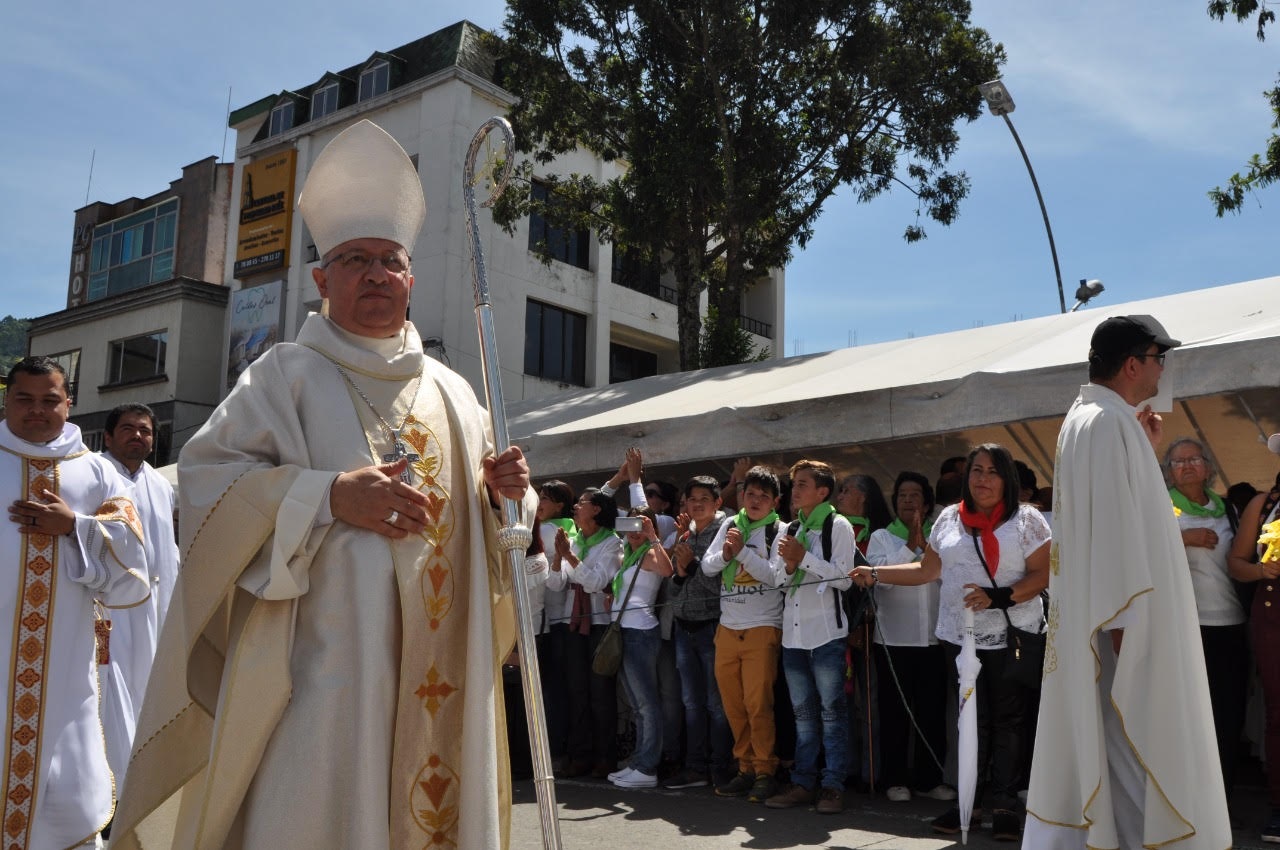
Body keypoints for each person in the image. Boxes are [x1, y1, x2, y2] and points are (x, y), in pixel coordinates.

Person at [113, 120, 534, 850]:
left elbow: (502, 531)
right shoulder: (282, 377)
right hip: (329, 676)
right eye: (354, 259)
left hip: (448, 674)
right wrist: (327, 497)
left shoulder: (458, 392)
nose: (375, 274)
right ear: (322, 279)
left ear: (409, 276)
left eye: (389, 260)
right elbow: (207, 488)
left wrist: (510, 497)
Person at [1022, 315, 1230, 850]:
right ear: (1134, 362)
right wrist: (1126, 632)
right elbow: (1114, 535)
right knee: (1143, 753)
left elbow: (1122, 515)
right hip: (1127, 633)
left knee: (1123, 760)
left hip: (1113, 625)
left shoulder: (1095, 417)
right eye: (1160, 358)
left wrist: (1143, 446)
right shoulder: (1107, 423)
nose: (1163, 369)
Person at [854, 445, 1049, 841]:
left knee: (1008, 721)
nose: (982, 479)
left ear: (1007, 477)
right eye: (976, 470)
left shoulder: (1028, 520)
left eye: (993, 471)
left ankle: (1004, 804)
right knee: (969, 720)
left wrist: (999, 597)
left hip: (1013, 633)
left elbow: (1041, 575)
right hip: (960, 637)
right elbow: (927, 570)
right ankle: (970, 802)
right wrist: (877, 573)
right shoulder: (948, 517)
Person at [1, 356, 148, 849]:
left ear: (70, 404)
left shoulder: (99, 474)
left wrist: (75, 527)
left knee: (63, 781)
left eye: (50, 401)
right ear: (7, 400)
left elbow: (134, 568)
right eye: (24, 399)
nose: (37, 411)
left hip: (65, 666)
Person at [764, 459, 855, 815]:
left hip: (826, 634)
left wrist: (803, 559)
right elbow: (777, 582)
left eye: (803, 484)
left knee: (832, 714)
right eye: (794, 483)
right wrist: (789, 565)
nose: (795, 490)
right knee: (802, 715)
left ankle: (832, 786)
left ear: (823, 491)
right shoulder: (790, 529)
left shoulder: (838, 526)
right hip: (793, 636)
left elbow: (845, 579)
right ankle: (803, 783)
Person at [98, 402, 180, 796]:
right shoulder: (94, 475)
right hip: (107, 610)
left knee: (150, 690)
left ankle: (142, 783)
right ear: (109, 437)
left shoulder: (162, 485)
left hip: (156, 608)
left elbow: (170, 552)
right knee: (109, 694)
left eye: (145, 430)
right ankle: (110, 787)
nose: (138, 436)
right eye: (128, 428)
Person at [1165, 437, 1248, 798]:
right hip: (1186, 629)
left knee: (1228, 717)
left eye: (1194, 459)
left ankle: (1221, 798)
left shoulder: (1227, 509)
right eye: (1178, 461)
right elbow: (1139, 548)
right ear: (1168, 472)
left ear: (1208, 467)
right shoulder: (1161, 508)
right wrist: (1183, 537)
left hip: (1232, 625)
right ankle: (1188, 798)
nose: (1186, 465)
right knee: (1188, 719)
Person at [865, 471, 951, 806]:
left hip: (933, 640)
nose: (908, 500)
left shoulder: (942, 538)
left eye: (915, 495)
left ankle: (930, 779)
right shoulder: (882, 537)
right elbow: (880, 579)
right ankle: (895, 778)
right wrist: (911, 547)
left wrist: (923, 544)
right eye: (902, 495)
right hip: (893, 642)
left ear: (927, 503)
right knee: (895, 714)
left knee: (931, 713)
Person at [700, 466, 786, 802]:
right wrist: (726, 552)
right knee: (733, 706)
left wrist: (742, 553)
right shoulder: (729, 525)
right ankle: (745, 768)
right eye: (750, 494)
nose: (756, 500)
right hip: (727, 628)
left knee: (758, 704)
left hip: (762, 627)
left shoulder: (779, 530)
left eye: (764, 496)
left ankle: (765, 770)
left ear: (775, 501)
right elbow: (708, 566)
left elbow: (775, 577)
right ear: (741, 496)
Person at [547, 488, 623, 779]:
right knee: (576, 691)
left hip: (599, 623)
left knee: (600, 694)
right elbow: (556, 585)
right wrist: (558, 558)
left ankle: (605, 757)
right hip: (573, 623)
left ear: (597, 510)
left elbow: (595, 583)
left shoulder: (612, 543)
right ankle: (580, 756)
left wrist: (569, 557)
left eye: (582, 502)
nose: (576, 507)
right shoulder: (574, 541)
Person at [664, 476, 732, 789]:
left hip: (713, 626)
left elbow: (718, 587)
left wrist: (690, 567)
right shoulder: (686, 535)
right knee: (691, 702)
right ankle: (695, 767)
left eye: (705, 498)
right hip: (683, 627)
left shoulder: (728, 532)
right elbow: (672, 590)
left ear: (718, 502)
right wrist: (680, 573)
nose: (697, 504)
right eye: (692, 499)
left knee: (716, 704)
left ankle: (721, 768)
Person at [1228, 437, 1280, 842]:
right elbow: (1237, 563)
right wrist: (1263, 572)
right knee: (1279, 712)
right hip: (1273, 614)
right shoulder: (1264, 503)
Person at [607, 507, 675, 788]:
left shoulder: (650, 552)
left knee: (647, 703)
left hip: (641, 633)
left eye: (641, 525)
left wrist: (652, 536)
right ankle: (638, 761)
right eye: (630, 524)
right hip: (625, 632)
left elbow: (667, 570)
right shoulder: (629, 555)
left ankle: (647, 767)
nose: (635, 531)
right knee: (636, 703)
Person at [536, 480, 576, 769]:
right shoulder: (569, 526)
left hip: (552, 622)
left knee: (553, 691)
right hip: (561, 618)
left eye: (546, 499)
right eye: (538, 497)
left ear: (560, 504)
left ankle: (555, 752)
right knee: (559, 689)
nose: (539, 503)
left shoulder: (547, 530)